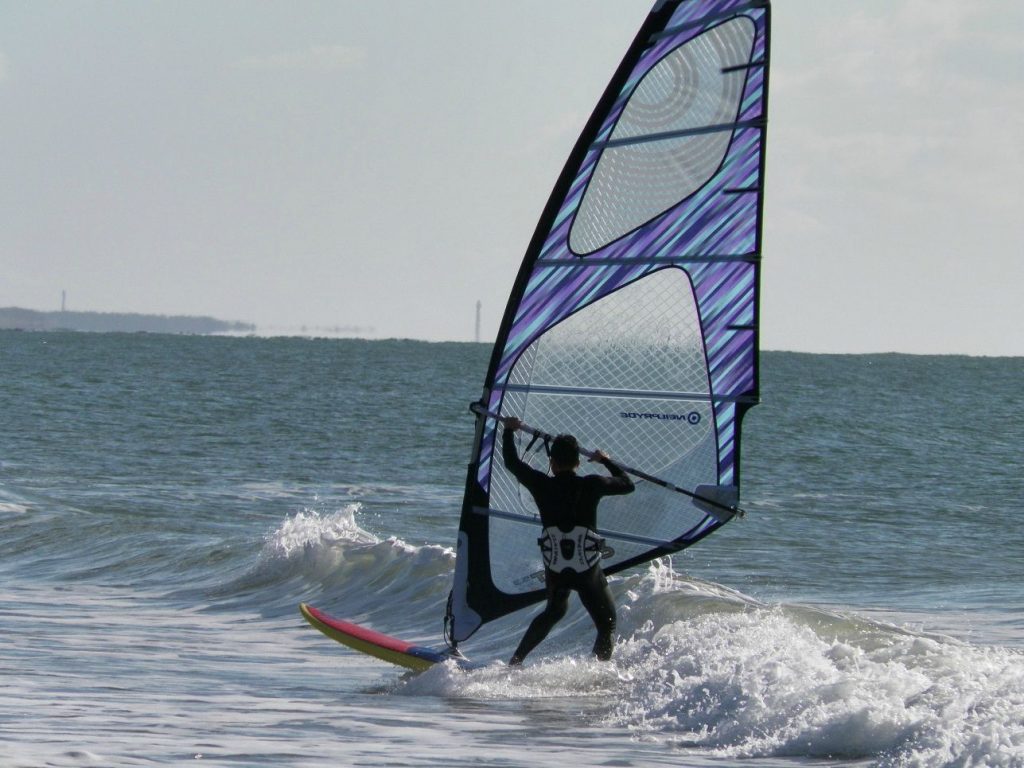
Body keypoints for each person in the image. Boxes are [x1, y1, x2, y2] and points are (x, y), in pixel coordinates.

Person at [501, 416, 635, 665]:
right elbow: (628, 485)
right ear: (577, 462)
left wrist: (508, 431)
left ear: (551, 463)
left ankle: (516, 661)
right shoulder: (592, 484)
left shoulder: (540, 483)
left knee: (554, 611)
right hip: (587, 569)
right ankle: (595, 672)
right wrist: (606, 460)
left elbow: (511, 462)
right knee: (606, 625)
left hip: (556, 567)